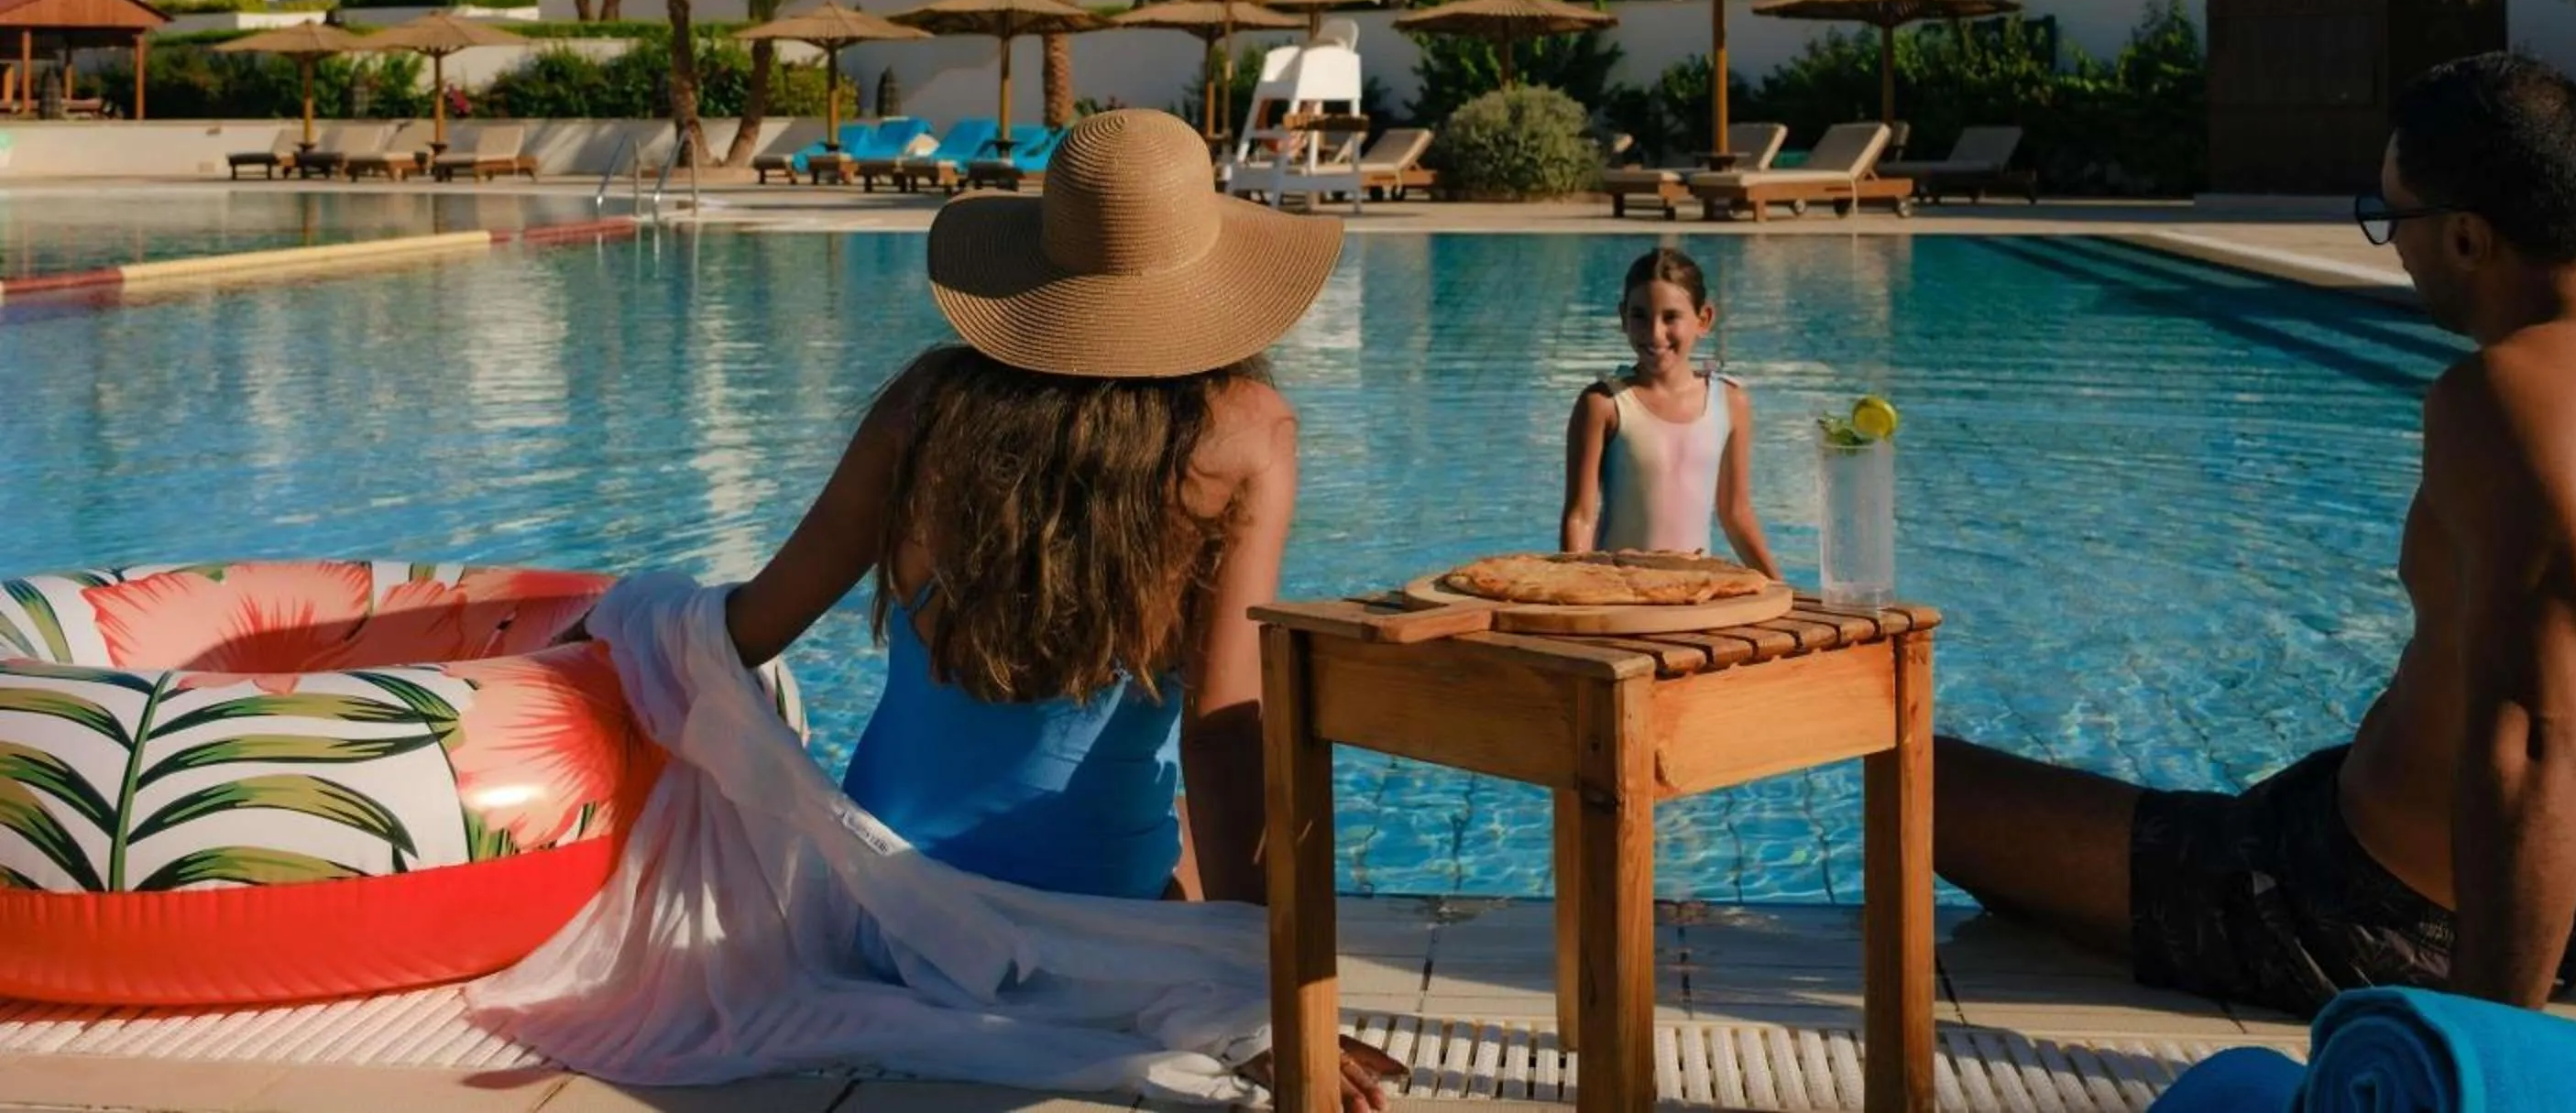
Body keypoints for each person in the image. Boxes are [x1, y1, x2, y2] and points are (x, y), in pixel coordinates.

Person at [1932, 54, 2576, 1020]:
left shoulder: (2512, 397)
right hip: (2535, 909)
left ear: (2465, 236)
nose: (2393, 250)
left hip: (2355, 919)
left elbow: (2536, 741)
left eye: (2390, 219)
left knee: (1907, 773)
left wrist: (2485, 1050)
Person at [719, 107, 1402, 1107]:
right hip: (1095, 941)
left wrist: (626, 635)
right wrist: (1264, 1003)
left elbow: (755, 625)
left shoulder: (927, 407)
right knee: (1176, 811)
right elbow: (1222, 735)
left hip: (883, 919)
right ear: (1204, 273)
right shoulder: (1245, 435)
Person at [1560, 246, 1783, 576]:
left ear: (1703, 319)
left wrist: (1781, 588)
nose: (1654, 334)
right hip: (1620, 593)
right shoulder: (1604, 404)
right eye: (1640, 316)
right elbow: (1580, 515)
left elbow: (1735, 513)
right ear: (1623, 318)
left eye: (1671, 317)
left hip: (1695, 591)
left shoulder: (1730, 402)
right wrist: (1578, 589)